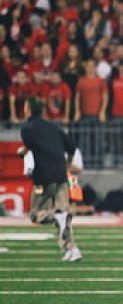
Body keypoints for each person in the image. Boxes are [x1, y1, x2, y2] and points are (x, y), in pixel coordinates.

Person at [19, 98, 81, 261]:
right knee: (63, 215)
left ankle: (57, 217)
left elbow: (31, 146)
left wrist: (22, 152)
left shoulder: (27, 128)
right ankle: (72, 249)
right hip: (61, 176)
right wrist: (66, 167)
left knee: (36, 214)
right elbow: (72, 148)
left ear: (29, 110)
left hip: (43, 178)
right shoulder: (54, 127)